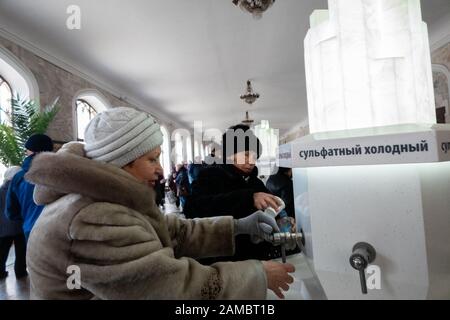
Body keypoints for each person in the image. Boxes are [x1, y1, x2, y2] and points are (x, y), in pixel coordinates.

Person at [25, 107, 295, 300]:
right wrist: (255, 275)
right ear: (121, 163)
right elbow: (169, 288)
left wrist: (238, 226)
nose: (160, 170)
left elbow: (174, 231)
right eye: (152, 160)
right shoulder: (92, 217)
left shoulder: (112, 200)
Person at [184, 124, 284, 261]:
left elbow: (270, 211)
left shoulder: (256, 183)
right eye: (247, 154)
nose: (252, 161)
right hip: (223, 261)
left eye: (255, 156)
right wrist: (248, 198)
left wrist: (282, 219)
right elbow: (194, 208)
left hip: (255, 259)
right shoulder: (210, 175)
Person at [5, 134, 54, 241]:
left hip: (31, 228)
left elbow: (11, 212)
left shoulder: (19, 177)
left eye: (26, 150)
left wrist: (27, 216)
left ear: (31, 151)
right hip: (58, 228)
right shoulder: (61, 172)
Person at [0, 166, 27, 279]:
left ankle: (0, 273)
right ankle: (20, 272)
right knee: (21, 252)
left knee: (2, 253)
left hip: (3, 229)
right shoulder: (18, 190)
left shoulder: (1, 190)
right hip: (19, 226)